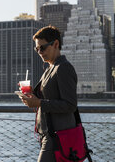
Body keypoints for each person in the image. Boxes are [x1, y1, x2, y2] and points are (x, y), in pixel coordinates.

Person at [20, 25, 78, 162]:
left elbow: (70, 105)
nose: (39, 51)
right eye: (37, 48)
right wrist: (30, 95)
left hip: (58, 137)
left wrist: (38, 102)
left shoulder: (63, 68)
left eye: (43, 47)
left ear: (56, 44)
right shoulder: (50, 68)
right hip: (49, 135)